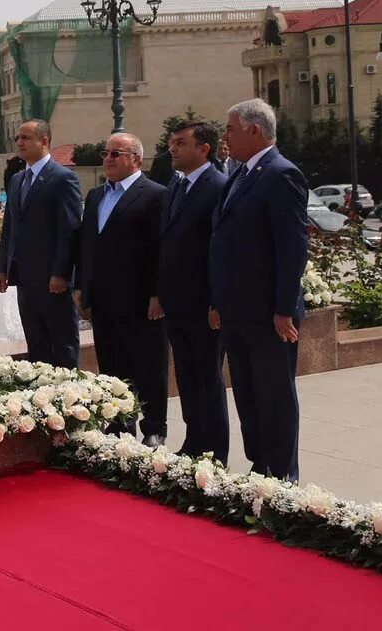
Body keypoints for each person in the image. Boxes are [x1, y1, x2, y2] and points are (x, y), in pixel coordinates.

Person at [210, 99, 308, 481]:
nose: (225, 137)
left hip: (269, 313)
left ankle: (284, 475)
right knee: (248, 395)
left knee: (274, 395)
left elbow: (292, 246)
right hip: (237, 311)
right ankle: (260, 465)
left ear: (254, 130)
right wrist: (218, 301)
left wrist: (283, 307)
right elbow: (224, 242)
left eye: (230, 129)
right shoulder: (240, 174)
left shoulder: (281, 173)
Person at [75, 133, 168, 445]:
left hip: (142, 301)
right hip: (103, 300)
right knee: (112, 366)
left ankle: (154, 428)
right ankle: (119, 424)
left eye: (117, 153)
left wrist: (158, 294)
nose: (108, 159)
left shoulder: (155, 195)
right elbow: (87, 246)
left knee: (149, 366)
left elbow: (161, 249)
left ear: (136, 160)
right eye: (106, 153)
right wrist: (81, 288)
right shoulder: (97, 195)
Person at [158, 120, 229, 462]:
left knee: (208, 376)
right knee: (186, 373)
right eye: (172, 142)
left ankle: (216, 448)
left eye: (181, 143)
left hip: (205, 303)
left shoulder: (218, 186)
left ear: (204, 149)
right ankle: (194, 439)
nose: (173, 148)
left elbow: (221, 249)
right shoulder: (176, 184)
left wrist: (217, 300)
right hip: (177, 301)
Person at [0, 119, 81, 367]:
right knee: (37, 346)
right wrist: (3, 268)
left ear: (44, 141)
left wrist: (61, 273)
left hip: (53, 282)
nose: (19, 143)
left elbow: (69, 230)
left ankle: (69, 398)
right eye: (18, 138)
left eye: (25, 138)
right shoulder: (17, 180)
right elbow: (9, 227)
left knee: (62, 345)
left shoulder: (63, 178)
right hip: (24, 279)